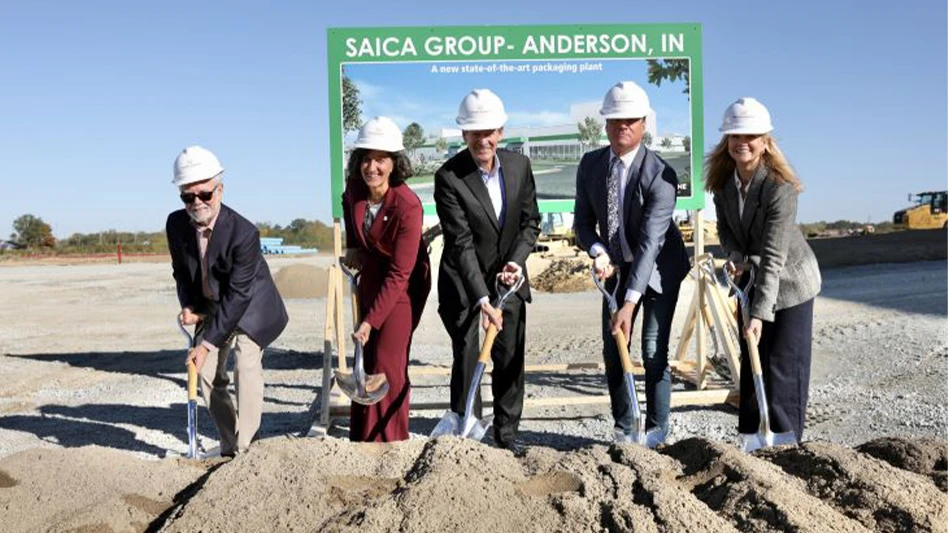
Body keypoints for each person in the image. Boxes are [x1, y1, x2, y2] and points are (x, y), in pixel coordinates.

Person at [573, 81, 690, 442]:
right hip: (615, 267)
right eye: (615, 119)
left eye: (630, 120)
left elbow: (650, 243)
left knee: (653, 351)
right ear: (606, 123)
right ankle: (625, 428)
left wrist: (628, 301)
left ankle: (656, 431)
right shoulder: (591, 164)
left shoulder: (660, 174)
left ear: (643, 124)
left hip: (658, 270)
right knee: (613, 348)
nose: (622, 126)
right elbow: (582, 223)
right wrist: (598, 251)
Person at [706, 97, 821, 442]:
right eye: (735, 136)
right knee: (751, 358)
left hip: (790, 281)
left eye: (750, 136)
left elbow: (774, 255)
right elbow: (726, 231)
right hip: (754, 275)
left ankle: (786, 442)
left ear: (765, 142)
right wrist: (736, 255)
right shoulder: (724, 185)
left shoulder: (779, 188)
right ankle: (752, 439)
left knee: (782, 364)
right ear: (727, 142)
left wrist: (758, 313)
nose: (742, 143)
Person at [434, 89, 541, 451]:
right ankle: (467, 429)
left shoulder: (519, 166)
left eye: (489, 131)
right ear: (463, 135)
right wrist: (482, 298)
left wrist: (517, 260)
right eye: (475, 132)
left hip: (507, 280)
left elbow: (530, 222)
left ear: (500, 131)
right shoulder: (449, 177)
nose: (484, 139)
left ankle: (507, 432)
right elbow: (460, 242)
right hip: (464, 285)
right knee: (467, 353)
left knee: (509, 355)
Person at [166, 145, 289, 457]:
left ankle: (248, 451)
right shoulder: (175, 225)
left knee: (245, 366)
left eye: (204, 194)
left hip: (250, 306)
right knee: (205, 375)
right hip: (212, 306)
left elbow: (238, 296)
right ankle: (229, 445)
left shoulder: (243, 233)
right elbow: (181, 272)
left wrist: (206, 344)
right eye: (188, 196)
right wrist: (190, 306)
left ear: (219, 190)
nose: (197, 203)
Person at [340, 116, 431, 442]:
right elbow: (346, 203)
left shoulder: (407, 206)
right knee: (364, 362)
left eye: (380, 159)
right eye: (366, 158)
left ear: (394, 164)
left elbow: (400, 273)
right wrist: (353, 244)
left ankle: (390, 443)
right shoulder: (354, 190)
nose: (372, 167)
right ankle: (362, 440)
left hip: (403, 287)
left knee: (387, 364)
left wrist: (370, 321)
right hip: (370, 279)